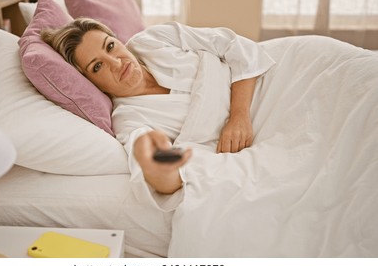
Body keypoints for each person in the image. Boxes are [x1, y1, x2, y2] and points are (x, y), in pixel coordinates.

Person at [41, 17, 275, 196]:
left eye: (110, 46)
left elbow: (234, 45)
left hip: (269, 81)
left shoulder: (152, 40)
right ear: (87, 81)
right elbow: (166, 179)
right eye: (97, 66)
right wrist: (156, 168)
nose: (115, 62)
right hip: (263, 139)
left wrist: (239, 116)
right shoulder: (128, 118)